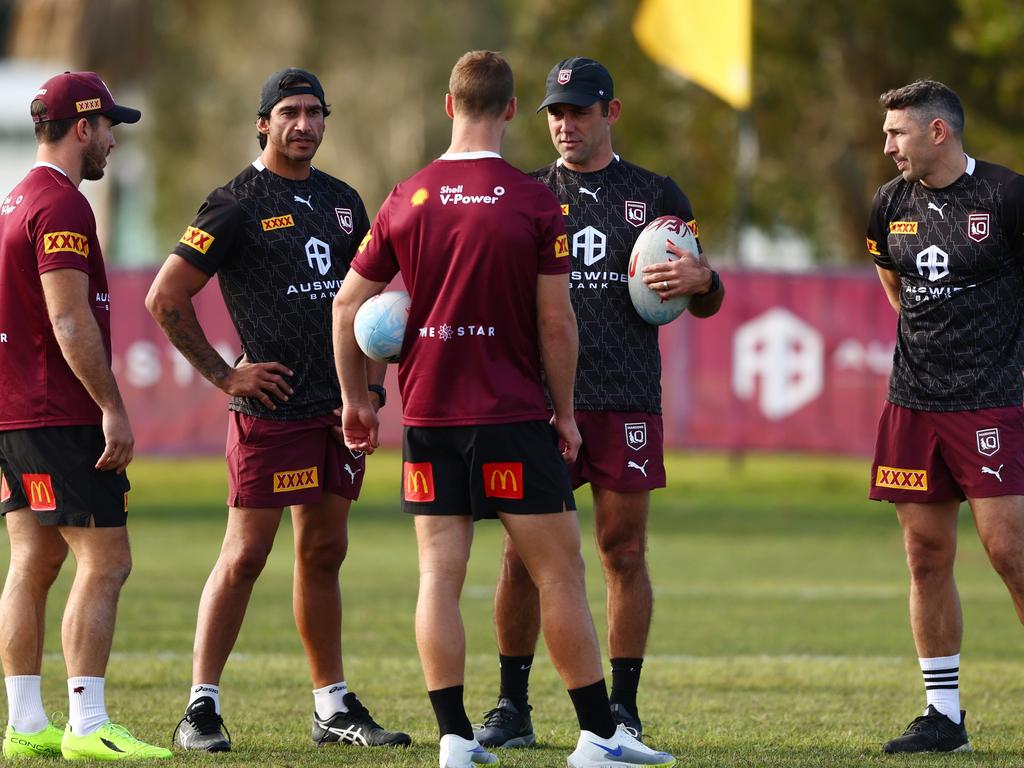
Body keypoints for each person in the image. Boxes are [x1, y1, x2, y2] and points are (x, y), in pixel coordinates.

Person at [333, 50, 676, 768]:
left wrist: (356, 402)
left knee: (439, 577)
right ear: (514, 111)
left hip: (428, 415)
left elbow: (346, 306)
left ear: (449, 104)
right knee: (559, 571)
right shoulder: (530, 201)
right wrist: (565, 412)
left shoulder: (409, 196)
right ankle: (596, 736)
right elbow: (556, 324)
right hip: (512, 413)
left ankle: (455, 739)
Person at [145, 67, 408, 752]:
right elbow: (165, 298)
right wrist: (224, 376)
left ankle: (331, 706)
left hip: (337, 413)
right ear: (263, 123)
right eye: (289, 112)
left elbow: (372, 309)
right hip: (273, 414)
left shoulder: (345, 203)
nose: (305, 124)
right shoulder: (234, 202)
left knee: (324, 551)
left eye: (315, 112)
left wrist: (371, 391)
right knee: (246, 556)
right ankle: (199, 708)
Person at [474, 57, 725, 749]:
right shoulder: (523, 192)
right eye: (555, 112)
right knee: (521, 555)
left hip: (626, 399)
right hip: (536, 403)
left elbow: (704, 295)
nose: (565, 124)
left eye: (579, 111)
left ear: (609, 113)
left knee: (622, 550)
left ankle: (624, 707)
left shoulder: (656, 192)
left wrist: (703, 279)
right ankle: (511, 705)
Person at [0, 71, 170, 761]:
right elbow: (68, 319)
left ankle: (25, 723)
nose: (113, 140)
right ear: (82, 128)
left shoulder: (13, 198)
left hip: (15, 415)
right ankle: (88, 723)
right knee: (107, 561)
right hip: (59, 415)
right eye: (108, 127)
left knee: (32, 562)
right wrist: (112, 407)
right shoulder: (61, 205)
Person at [866, 79, 1024, 753]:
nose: (887, 145)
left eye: (897, 133)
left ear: (939, 132)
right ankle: (944, 716)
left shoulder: (1009, 196)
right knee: (925, 556)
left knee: (1010, 552)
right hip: (913, 404)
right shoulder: (889, 202)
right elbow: (892, 282)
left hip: (992, 399)